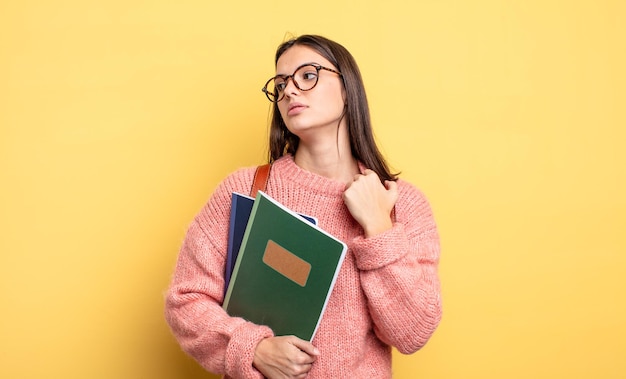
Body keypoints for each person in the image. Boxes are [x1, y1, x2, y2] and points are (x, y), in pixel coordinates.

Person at [165, 34, 442, 379]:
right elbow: (186, 301)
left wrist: (378, 227)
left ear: (347, 88)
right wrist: (253, 349)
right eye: (280, 85)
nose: (290, 91)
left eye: (307, 76)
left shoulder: (401, 203)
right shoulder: (245, 189)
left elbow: (413, 332)